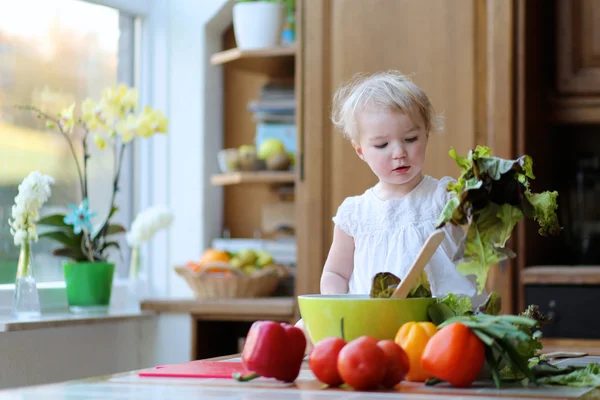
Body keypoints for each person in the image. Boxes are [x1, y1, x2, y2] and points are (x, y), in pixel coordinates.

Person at [296, 70, 479, 352]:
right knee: (302, 332)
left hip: (441, 324)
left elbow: (479, 217)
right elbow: (335, 272)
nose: (399, 152)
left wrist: (484, 194)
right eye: (382, 145)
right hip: (373, 328)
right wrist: (337, 309)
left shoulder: (444, 197)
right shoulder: (355, 214)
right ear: (360, 151)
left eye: (410, 139)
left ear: (426, 135)